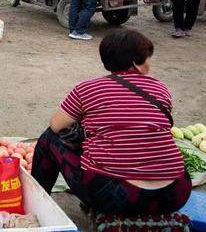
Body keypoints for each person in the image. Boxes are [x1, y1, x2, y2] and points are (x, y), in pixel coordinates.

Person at [32, 30, 190, 215]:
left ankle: (37, 204)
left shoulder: (88, 88)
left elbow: (56, 125)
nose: (149, 63)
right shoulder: (161, 89)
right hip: (175, 194)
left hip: (116, 198)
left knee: (49, 138)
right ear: (136, 63)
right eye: (148, 58)